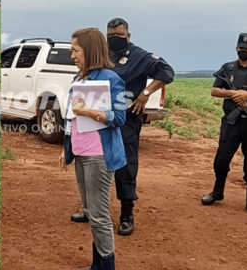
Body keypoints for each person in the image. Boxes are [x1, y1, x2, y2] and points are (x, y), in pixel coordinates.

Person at [71, 18, 175, 237]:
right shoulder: (102, 54)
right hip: (95, 122)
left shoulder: (140, 57)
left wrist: (145, 94)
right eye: (111, 35)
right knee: (94, 164)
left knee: (125, 167)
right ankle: (91, 209)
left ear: (128, 36)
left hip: (125, 119)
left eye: (119, 35)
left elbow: (167, 73)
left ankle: (127, 213)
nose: (114, 39)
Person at [59, 28, 127, 270]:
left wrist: (88, 111)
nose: (73, 56)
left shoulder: (110, 78)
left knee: (99, 216)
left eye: (76, 51)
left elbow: (119, 117)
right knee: (90, 211)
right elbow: (71, 120)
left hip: (99, 156)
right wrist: (66, 149)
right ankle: (97, 265)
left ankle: (107, 268)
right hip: (81, 153)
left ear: (89, 50)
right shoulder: (80, 78)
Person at [201, 33, 247, 215]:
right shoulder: (227, 68)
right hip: (231, 122)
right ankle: (217, 192)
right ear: (236, 49)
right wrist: (233, 94)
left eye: (246, 49)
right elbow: (215, 91)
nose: (243, 51)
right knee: (222, 160)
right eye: (240, 49)